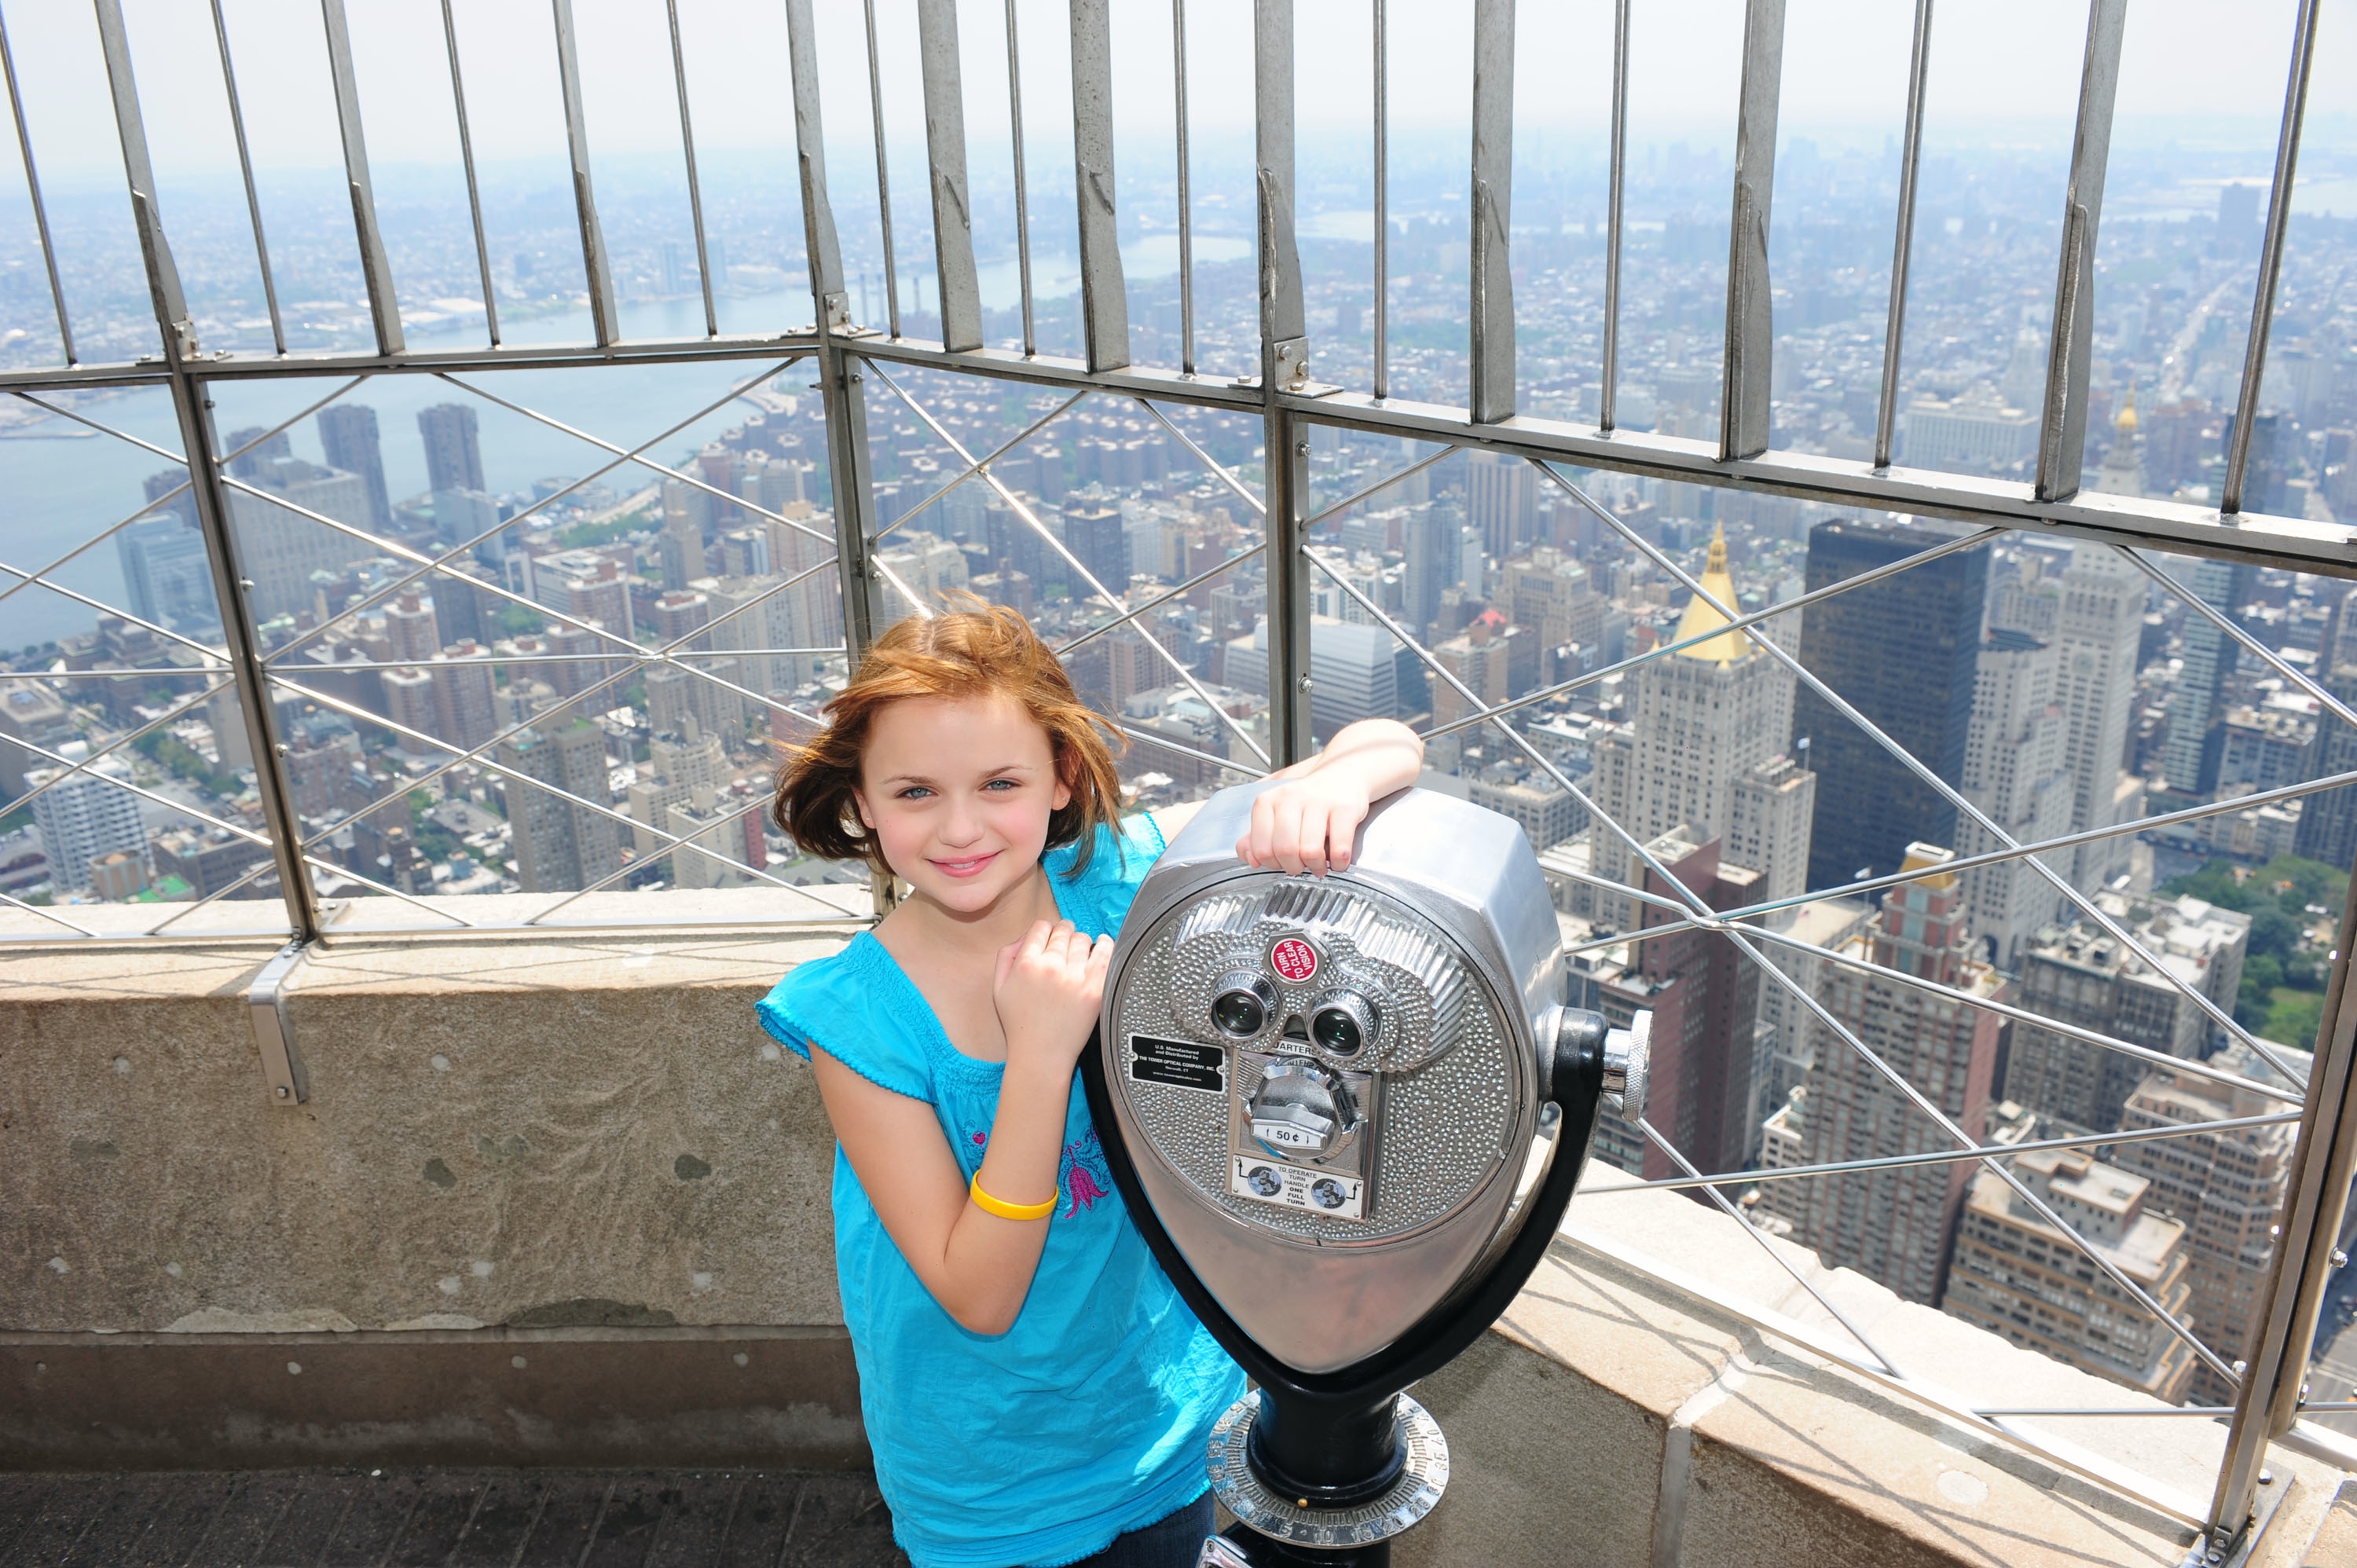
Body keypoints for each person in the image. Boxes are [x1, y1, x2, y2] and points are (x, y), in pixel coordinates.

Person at [757, 603, 1424, 1568]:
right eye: (914, 792)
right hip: (997, 1475)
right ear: (860, 803)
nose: (961, 827)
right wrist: (1039, 1053)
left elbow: (1389, 739)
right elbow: (977, 1291)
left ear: (1062, 778)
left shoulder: (1129, 883)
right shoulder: (858, 1020)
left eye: (1000, 783)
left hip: (1167, 1409)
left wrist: (1339, 782)